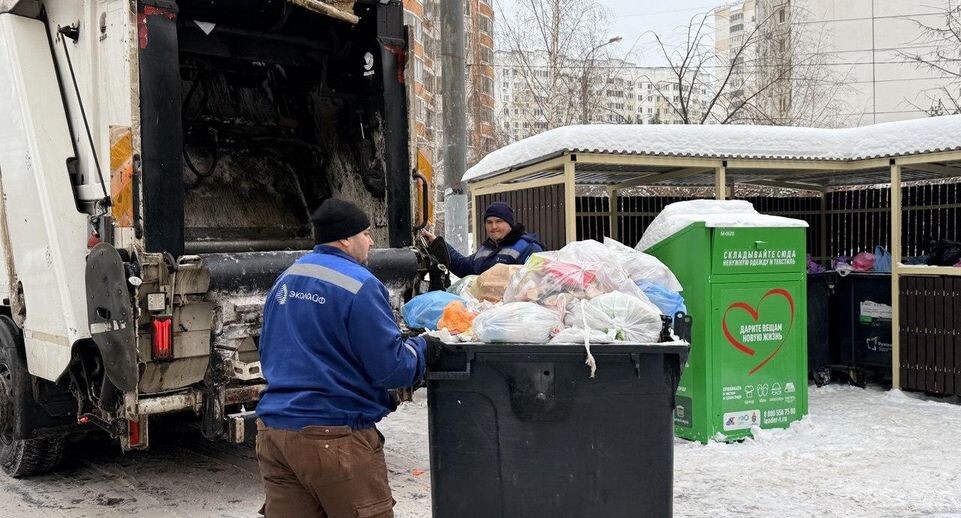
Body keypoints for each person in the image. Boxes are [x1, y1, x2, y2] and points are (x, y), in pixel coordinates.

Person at [255, 198, 438, 518]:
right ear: (344, 238)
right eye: (365, 233)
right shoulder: (360, 284)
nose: (370, 241)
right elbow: (391, 368)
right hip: (333, 437)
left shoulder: (287, 278)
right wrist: (424, 349)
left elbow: (270, 351)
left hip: (275, 435)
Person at [422, 201, 544, 277]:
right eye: (489, 222)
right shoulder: (487, 249)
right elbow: (462, 266)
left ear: (509, 223)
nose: (494, 226)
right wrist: (437, 242)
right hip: (485, 312)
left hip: (511, 315)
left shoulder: (529, 248)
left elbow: (537, 284)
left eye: (499, 221)